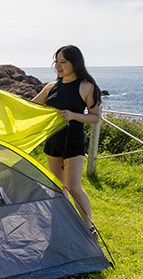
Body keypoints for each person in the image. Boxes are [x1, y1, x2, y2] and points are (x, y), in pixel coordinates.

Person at [32, 45, 102, 232]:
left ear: (75, 63)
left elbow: (95, 117)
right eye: (56, 62)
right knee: (57, 185)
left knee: (73, 186)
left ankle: (88, 229)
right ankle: (61, 223)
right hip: (53, 140)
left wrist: (73, 115)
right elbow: (30, 107)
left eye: (63, 62)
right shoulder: (50, 87)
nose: (58, 66)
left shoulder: (87, 86)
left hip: (73, 141)